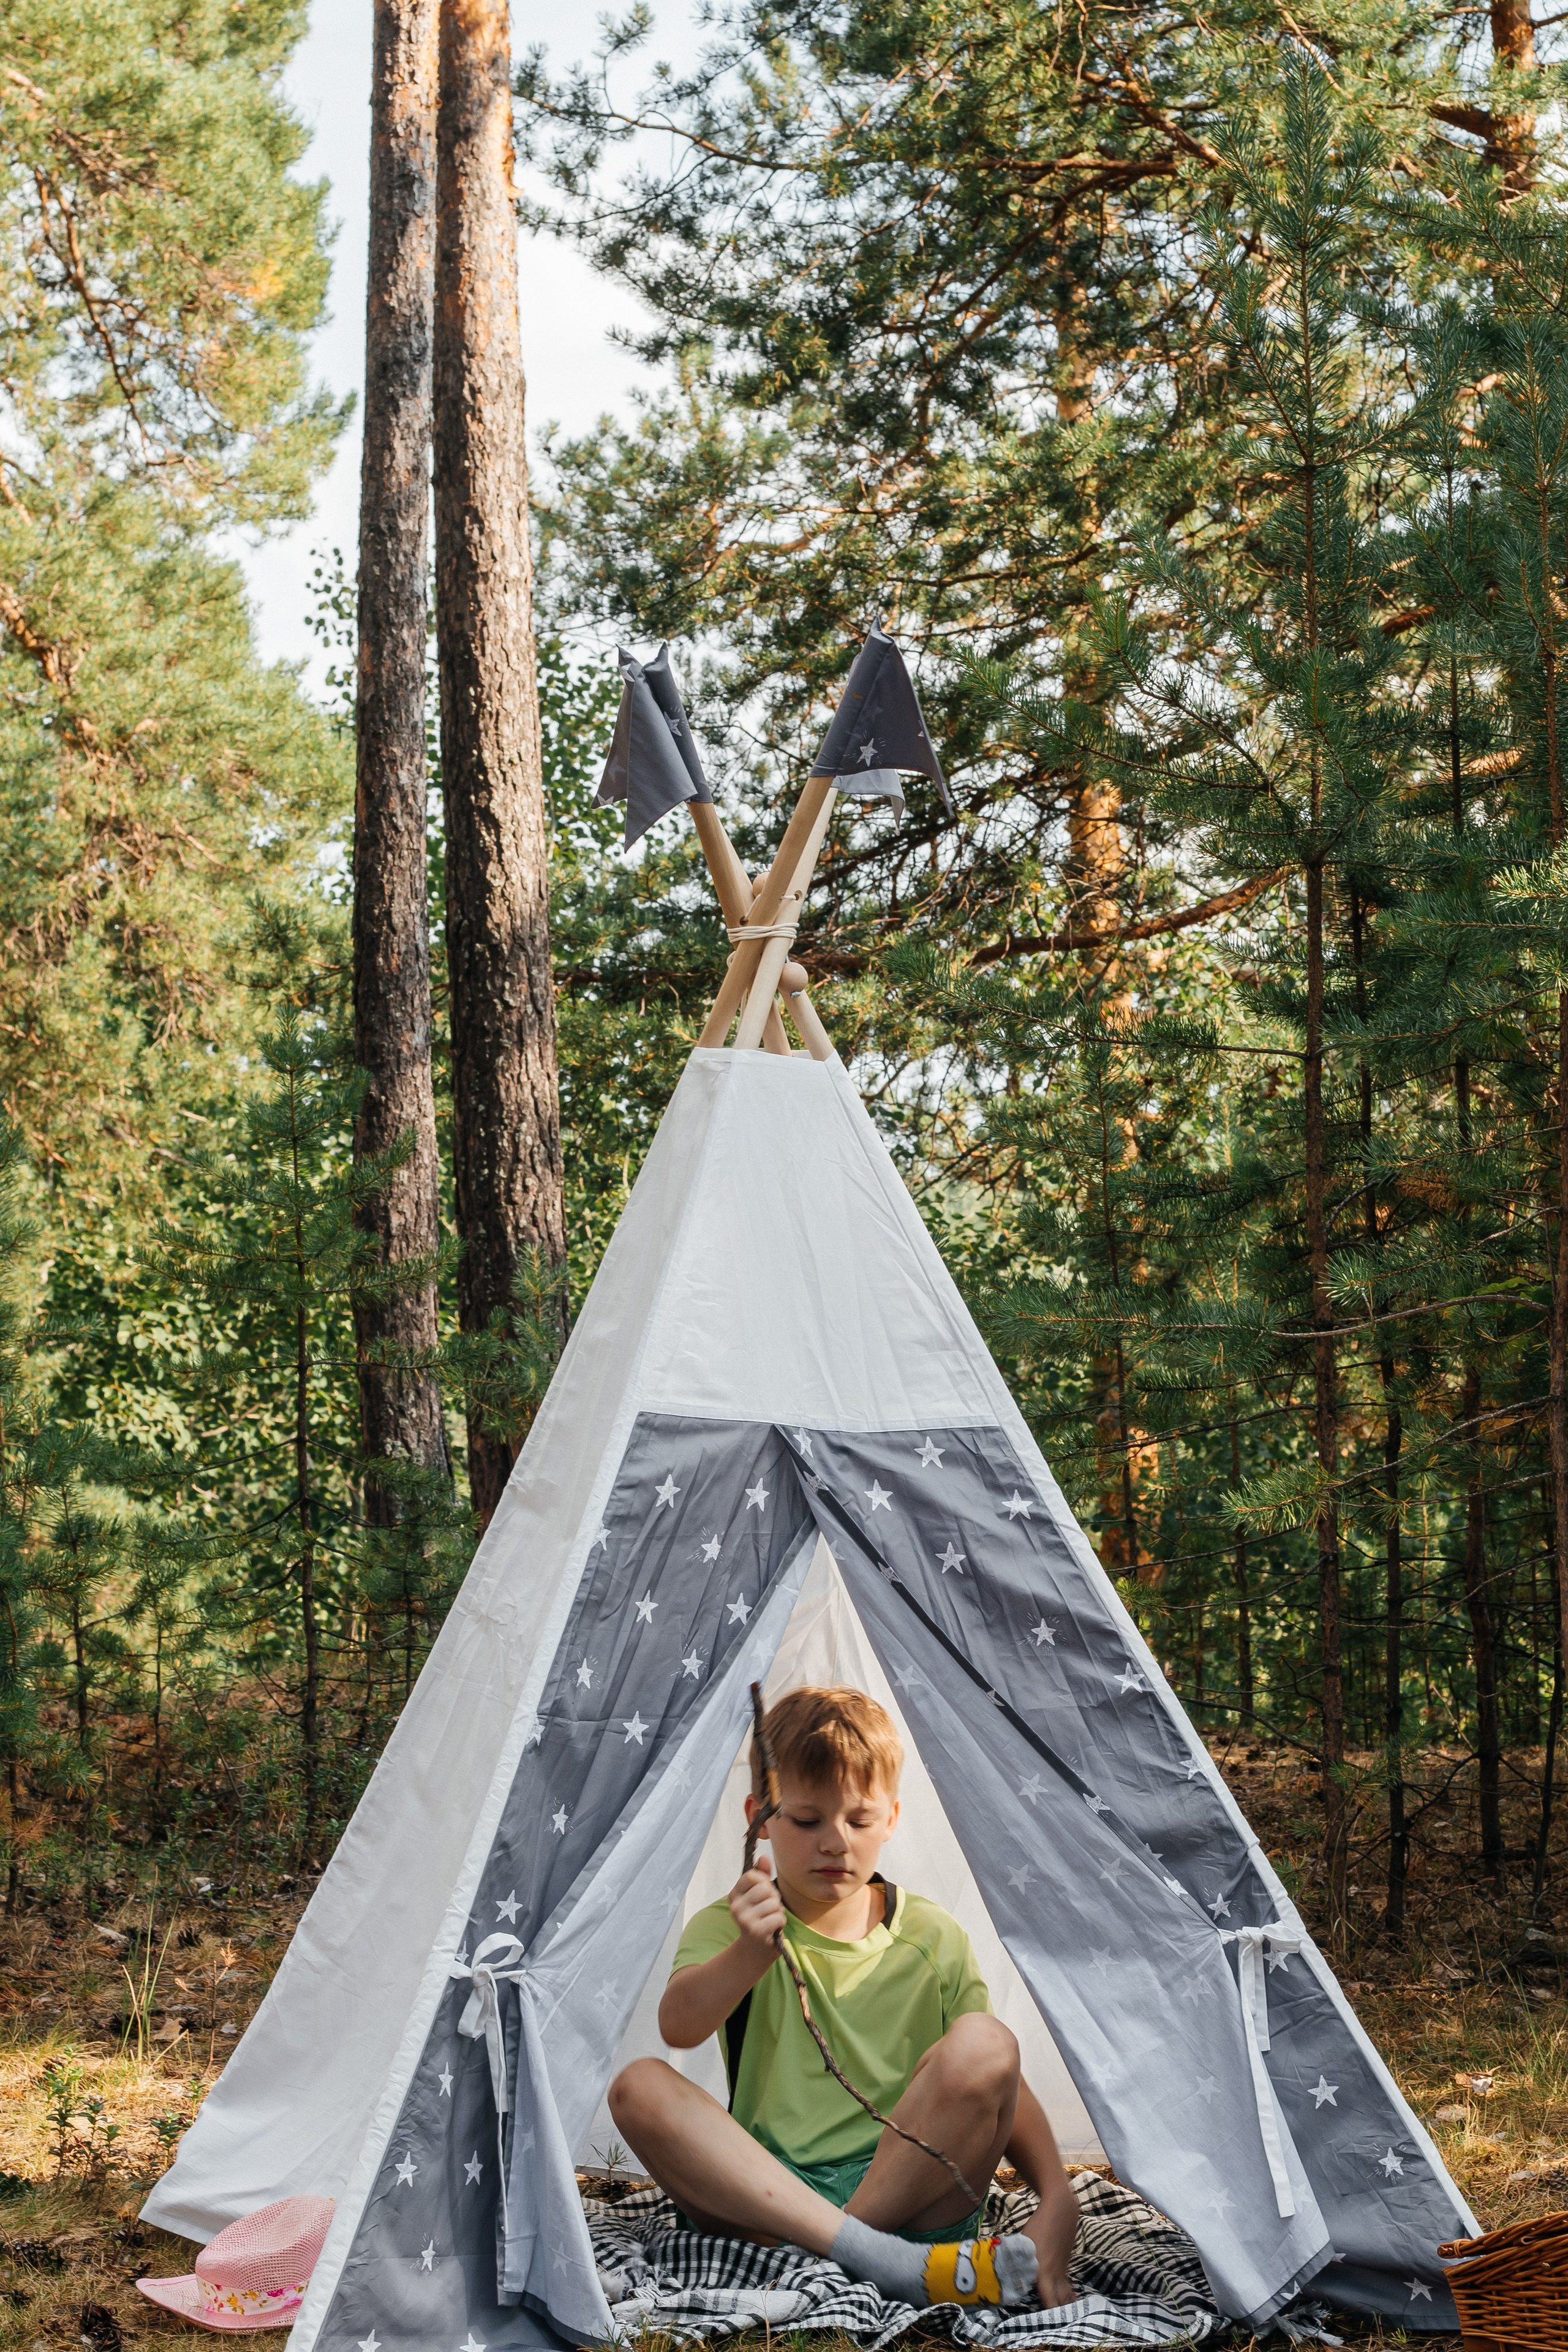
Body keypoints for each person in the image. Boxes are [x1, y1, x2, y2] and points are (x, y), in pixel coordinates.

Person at [609, 1686, 1079, 2309]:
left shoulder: (930, 1934)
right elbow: (679, 2026)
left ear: (890, 1819)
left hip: (913, 2193)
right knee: (638, 2086)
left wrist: (1059, 2197)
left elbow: (993, 2079)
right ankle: (879, 2262)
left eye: (858, 1821)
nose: (835, 1842)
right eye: (807, 1821)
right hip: (771, 2197)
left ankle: (846, 2255)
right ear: (760, 1817)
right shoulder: (733, 1925)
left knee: (987, 2042)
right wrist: (749, 1954)